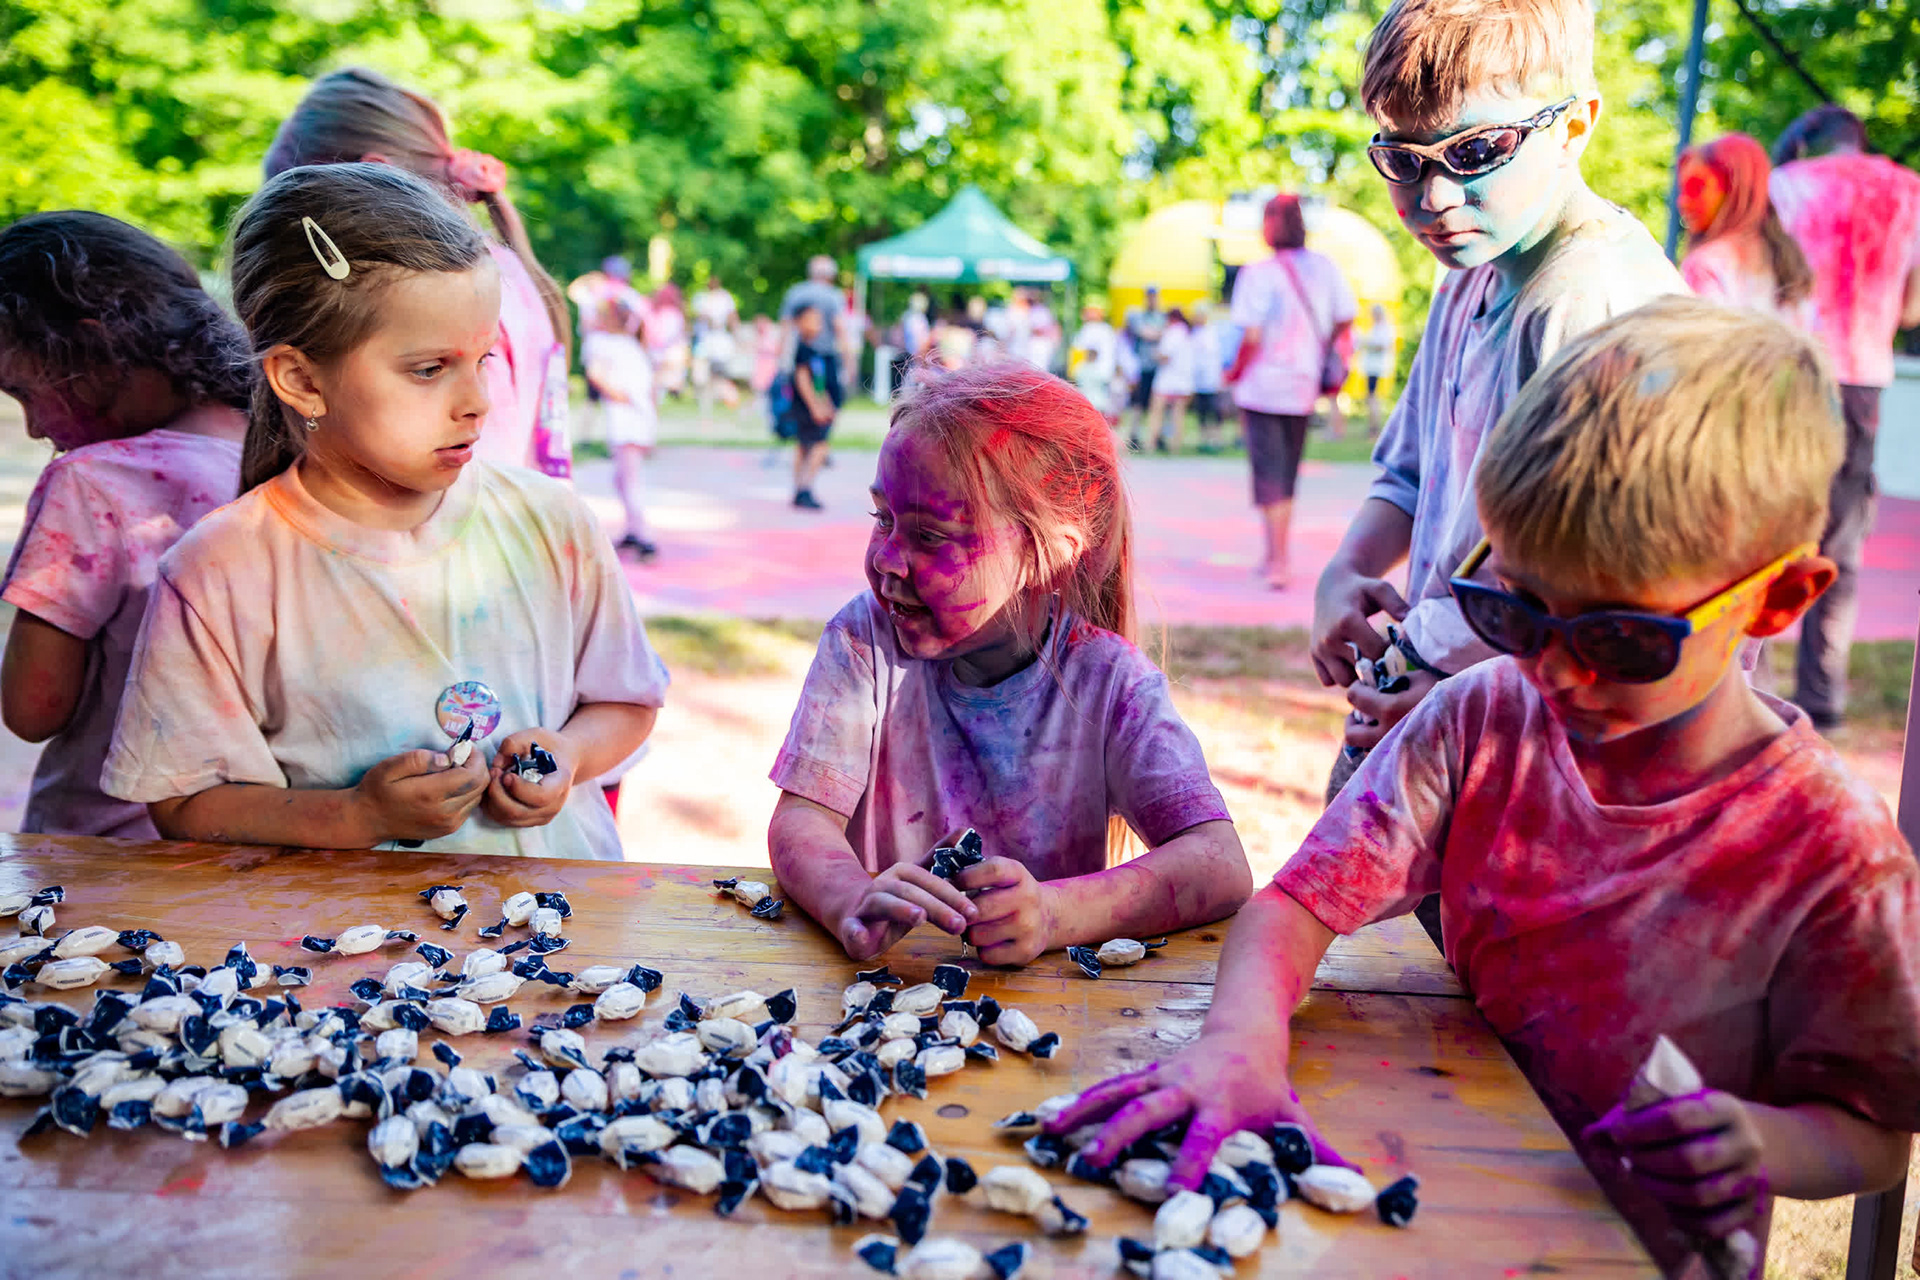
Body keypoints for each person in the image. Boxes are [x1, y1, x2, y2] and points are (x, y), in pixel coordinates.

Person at [1050, 298, 1920, 1276]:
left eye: (1619, 637)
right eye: (1516, 611)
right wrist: (1240, 1045)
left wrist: (1761, 1144)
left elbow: (1873, 1132)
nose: (1556, 671)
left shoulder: (1831, 851)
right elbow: (1293, 907)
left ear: (1778, 598)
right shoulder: (1484, 719)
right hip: (1442, 1215)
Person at [102, 163, 668, 858]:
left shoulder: (554, 522)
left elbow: (626, 701)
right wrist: (355, 815)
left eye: (484, 360)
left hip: (559, 921)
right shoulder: (220, 570)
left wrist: (569, 755)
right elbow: (183, 802)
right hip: (345, 929)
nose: (478, 402)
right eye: (429, 369)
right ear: (302, 380)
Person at [1311, 0, 1684, 804]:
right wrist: (1346, 571)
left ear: (1574, 126)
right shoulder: (1468, 275)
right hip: (1440, 685)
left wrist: (1472, 695)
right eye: (1403, 160)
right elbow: (1408, 476)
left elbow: (1608, 589)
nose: (1436, 196)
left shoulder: (1587, 302)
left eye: (1476, 151)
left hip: (1540, 735)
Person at [766, 362, 1252, 963]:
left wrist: (1052, 913)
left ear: (1050, 558)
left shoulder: (1109, 685)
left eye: (931, 536)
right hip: (887, 992)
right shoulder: (864, 643)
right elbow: (800, 821)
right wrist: (849, 899)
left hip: (1055, 1008)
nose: (888, 560)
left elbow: (1219, 864)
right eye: (883, 519)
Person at [0, 212, 250, 839]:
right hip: (257, 846)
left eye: (23, 391)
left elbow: (33, 709)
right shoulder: (290, 454)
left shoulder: (93, 482)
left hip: (105, 858)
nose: (33, 427)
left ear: (93, 351)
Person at [265, 66, 572, 479]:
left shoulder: (438, 289)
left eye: (311, 224)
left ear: (377, 173)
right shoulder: (502, 269)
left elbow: (475, 460)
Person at [1768, 105, 1920, 729]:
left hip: (1788, 368)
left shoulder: (1786, 184)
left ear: (1808, 142)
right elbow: (1911, 311)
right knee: (1842, 544)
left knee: (1762, 528)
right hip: (1863, 380)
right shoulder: (1910, 190)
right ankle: (1822, 699)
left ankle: (1747, 684)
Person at [1227, 194, 1357, 590]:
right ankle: (1274, 555)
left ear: (1270, 224)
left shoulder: (1257, 273)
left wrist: (1234, 372)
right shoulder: (1325, 268)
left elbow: (1251, 336)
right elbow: (1346, 315)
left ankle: (1278, 560)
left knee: (1268, 475)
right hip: (1302, 386)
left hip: (1262, 387)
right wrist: (1319, 345)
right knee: (1286, 473)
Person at [1677, 133, 1812, 328]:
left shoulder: (1705, 265)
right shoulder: (1792, 264)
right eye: (1683, 189)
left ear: (1734, 188)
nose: (1682, 202)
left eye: (1696, 187)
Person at [581, 292, 660, 562]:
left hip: (627, 420)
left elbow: (596, 374)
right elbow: (650, 389)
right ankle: (633, 530)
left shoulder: (605, 344)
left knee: (629, 479)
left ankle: (644, 537)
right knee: (622, 478)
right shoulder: (632, 346)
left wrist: (618, 396)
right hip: (639, 418)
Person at [786, 304, 841, 510]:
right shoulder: (802, 350)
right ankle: (805, 488)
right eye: (812, 320)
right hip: (805, 409)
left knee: (804, 446)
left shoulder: (813, 351)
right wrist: (815, 407)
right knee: (820, 445)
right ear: (799, 322)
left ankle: (800, 488)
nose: (818, 324)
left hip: (812, 407)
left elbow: (818, 383)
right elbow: (803, 380)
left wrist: (826, 403)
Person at [1119, 285, 1168, 449]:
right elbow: (1146, 333)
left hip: (1158, 367)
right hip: (1141, 366)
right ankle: (1134, 435)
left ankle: (1156, 436)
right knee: (1138, 402)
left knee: (1157, 403)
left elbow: (1159, 334)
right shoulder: (1138, 316)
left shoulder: (1161, 316)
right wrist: (1157, 333)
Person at [691, 275, 741, 424]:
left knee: (720, 375)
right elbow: (700, 318)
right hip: (705, 341)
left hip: (719, 342)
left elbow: (732, 318)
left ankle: (728, 400)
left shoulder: (725, 297)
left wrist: (737, 336)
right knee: (703, 377)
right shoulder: (701, 298)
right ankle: (706, 408)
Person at [780, 255, 845, 367]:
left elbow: (785, 325)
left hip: (799, 354)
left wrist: (782, 357)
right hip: (826, 354)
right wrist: (849, 362)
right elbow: (840, 329)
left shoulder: (795, 292)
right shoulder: (834, 295)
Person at [1145, 307, 1194, 452]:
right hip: (1183, 380)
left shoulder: (1173, 333)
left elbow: (1165, 356)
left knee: (1156, 411)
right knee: (1178, 414)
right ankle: (1175, 445)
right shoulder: (1187, 333)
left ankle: (1151, 443)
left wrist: (1154, 354)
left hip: (1167, 379)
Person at [1068, 302, 1120, 425]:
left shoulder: (1089, 329)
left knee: (1089, 407)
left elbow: (1082, 351)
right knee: (1102, 406)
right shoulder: (1108, 329)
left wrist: (1074, 374)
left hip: (1091, 374)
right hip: (1106, 373)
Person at [1188, 302, 1226, 451]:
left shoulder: (1212, 332)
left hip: (1211, 379)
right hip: (1199, 380)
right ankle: (1204, 439)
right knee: (1202, 411)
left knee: (1215, 411)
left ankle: (1216, 439)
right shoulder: (1194, 333)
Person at [1356, 302, 1397, 433]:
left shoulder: (1385, 328)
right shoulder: (1375, 328)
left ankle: (1374, 427)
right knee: (1371, 396)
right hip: (1371, 367)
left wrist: (1367, 344)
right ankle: (1372, 425)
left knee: (1373, 397)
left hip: (1376, 367)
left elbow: (1384, 346)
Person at [644, 283, 689, 400]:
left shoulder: (653, 312)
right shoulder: (674, 314)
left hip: (655, 352)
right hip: (668, 352)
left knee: (656, 382)